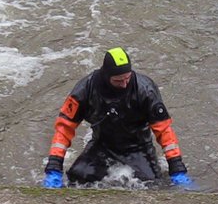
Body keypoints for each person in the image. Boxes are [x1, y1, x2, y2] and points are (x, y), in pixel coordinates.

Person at [42, 47, 192, 188]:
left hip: (138, 147)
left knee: (153, 186)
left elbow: (164, 130)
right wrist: (54, 165)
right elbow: (64, 128)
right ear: (106, 75)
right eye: (118, 81)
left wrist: (176, 166)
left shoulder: (145, 90)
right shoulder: (85, 89)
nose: (124, 84)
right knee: (75, 181)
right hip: (101, 145)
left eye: (127, 78)